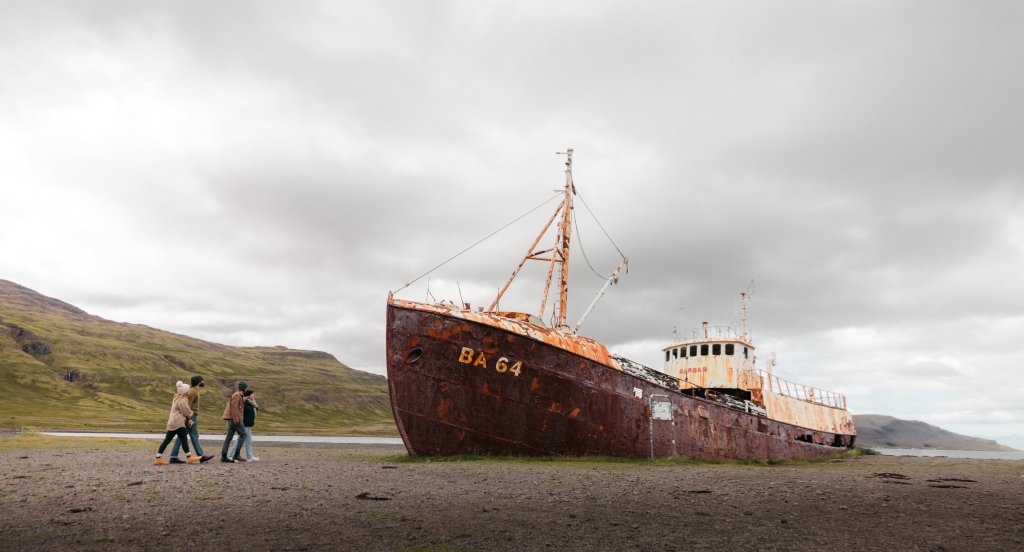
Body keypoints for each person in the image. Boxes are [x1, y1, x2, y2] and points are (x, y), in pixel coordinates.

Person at [154, 381, 202, 465]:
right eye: (187, 390)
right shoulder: (182, 400)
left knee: (167, 440)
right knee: (184, 440)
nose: (188, 392)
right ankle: (189, 457)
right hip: (178, 422)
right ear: (185, 391)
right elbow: (186, 412)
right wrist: (191, 415)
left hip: (172, 422)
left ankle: (158, 458)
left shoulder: (176, 397)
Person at [169, 374, 215, 464]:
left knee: (182, 436)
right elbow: (187, 405)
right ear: (199, 382)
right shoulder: (193, 391)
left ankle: (173, 456)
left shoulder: (193, 390)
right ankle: (201, 456)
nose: (204, 381)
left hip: (190, 416)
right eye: (202, 380)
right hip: (191, 416)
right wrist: (189, 418)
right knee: (194, 435)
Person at [229, 389, 259, 462]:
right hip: (244, 424)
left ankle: (250, 457)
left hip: (248, 425)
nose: (254, 395)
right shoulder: (245, 403)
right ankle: (229, 455)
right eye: (252, 394)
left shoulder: (252, 403)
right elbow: (241, 413)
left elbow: (255, 410)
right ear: (248, 395)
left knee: (249, 441)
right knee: (239, 440)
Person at [220, 381, 247, 463]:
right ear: (244, 388)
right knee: (243, 434)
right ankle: (236, 455)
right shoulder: (237, 395)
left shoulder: (238, 395)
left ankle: (224, 456)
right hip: (235, 419)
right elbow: (234, 408)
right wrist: (236, 419)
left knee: (229, 437)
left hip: (232, 419)